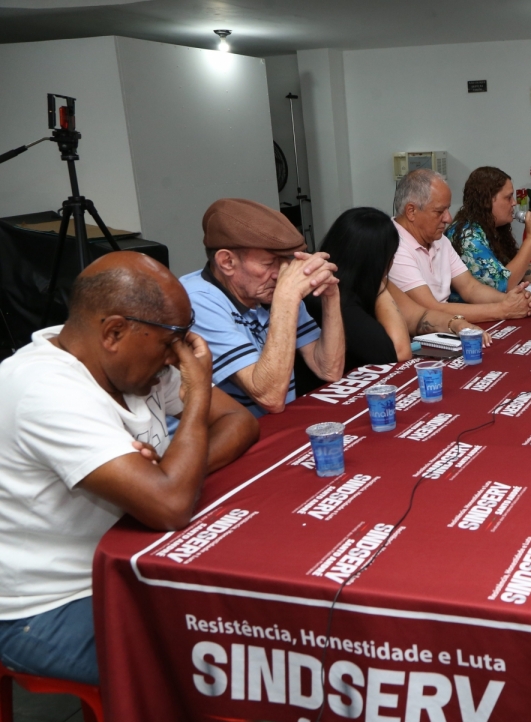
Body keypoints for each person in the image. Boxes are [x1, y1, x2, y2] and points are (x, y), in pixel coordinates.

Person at [0, 252, 259, 685]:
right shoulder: (43, 389)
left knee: (253, 615)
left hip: (127, 566)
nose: (176, 357)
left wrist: (173, 470)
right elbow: (171, 507)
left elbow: (239, 421)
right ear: (114, 332)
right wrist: (196, 400)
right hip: (48, 606)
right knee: (220, 662)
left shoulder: (135, 365)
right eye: (170, 342)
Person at [295, 207, 494, 394]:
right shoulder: (335, 297)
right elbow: (400, 352)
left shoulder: (362, 283)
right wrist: (380, 282)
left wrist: (456, 323)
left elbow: (418, 316)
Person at [181, 198, 345, 416]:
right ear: (227, 262)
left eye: (285, 261)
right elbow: (270, 397)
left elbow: (329, 370)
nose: (280, 274)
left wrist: (331, 296)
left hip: (269, 427)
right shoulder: (195, 300)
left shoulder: (269, 290)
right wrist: (287, 298)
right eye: (269, 263)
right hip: (222, 434)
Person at [388, 169, 531, 324]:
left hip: (448, 324)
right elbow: (430, 309)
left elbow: (470, 287)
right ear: (411, 211)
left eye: (448, 209)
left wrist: (509, 299)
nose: (448, 218)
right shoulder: (393, 246)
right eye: (439, 211)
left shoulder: (439, 239)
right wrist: (504, 309)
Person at [447, 166, 531, 290]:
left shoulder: (491, 228)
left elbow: (509, 270)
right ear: (487, 201)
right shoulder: (469, 237)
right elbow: (504, 285)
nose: (514, 202)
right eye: (508, 197)